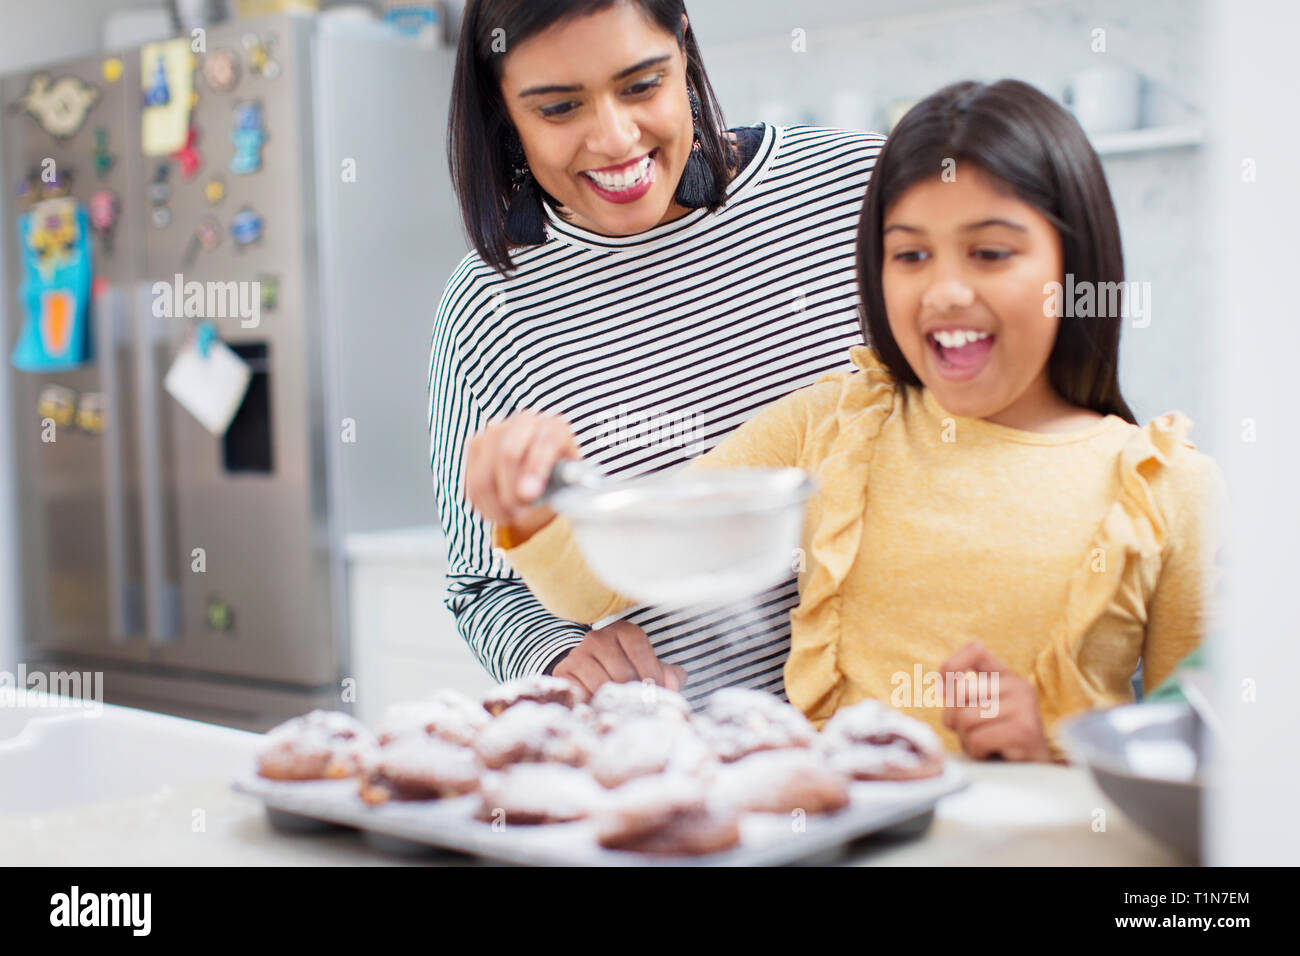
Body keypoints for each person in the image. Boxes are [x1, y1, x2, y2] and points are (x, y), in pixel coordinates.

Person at [464, 79, 1228, 761]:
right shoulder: (836, 421)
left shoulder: (1168, 488)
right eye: (911, 256)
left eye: (991, 253)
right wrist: (529, 504)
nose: (945, 292)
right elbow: (604, 580)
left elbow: (1202, 761)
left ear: (1076, 266)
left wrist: (1051, 743)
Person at [429, 0, 885, 703]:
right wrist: (558, 654)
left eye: (642, 85)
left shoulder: (861, 193)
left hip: (901, 753)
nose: (614, 139)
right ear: (503, 113)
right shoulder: (488, 307)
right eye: (557, 108)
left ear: (684, 53)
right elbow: (481, 586)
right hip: (672, 771)